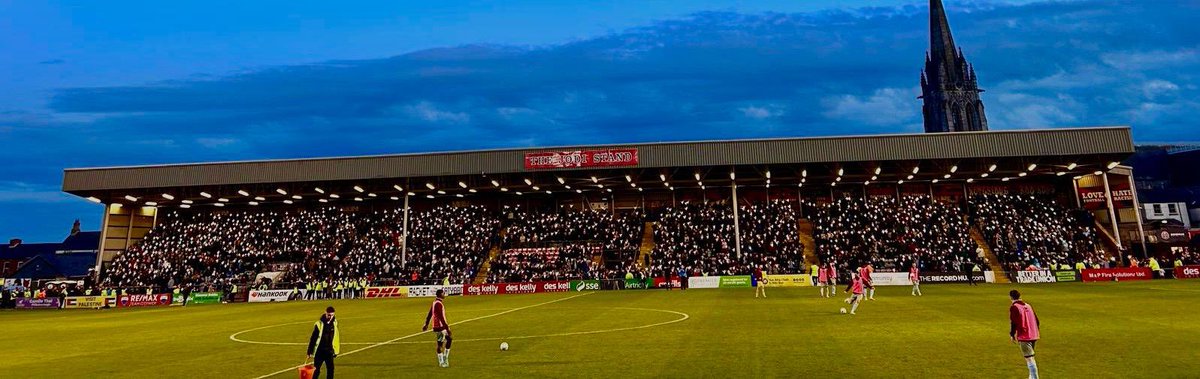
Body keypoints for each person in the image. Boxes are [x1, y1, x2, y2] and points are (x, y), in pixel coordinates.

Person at [1009, 290, 1040, 379]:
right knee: (1031, 356)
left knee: (1029, 358)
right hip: (1034, 334)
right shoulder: (1028, 305)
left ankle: (1035, 378)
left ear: (1011, 297)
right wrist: (1035, 331)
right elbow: (1037, 320)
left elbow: (1014, 322)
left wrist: (1012, 334)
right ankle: (1031, 377)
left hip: (1024, 336)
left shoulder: (1014, 307)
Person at [306, 306, 340, 379]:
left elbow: (336, 337)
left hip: (329, 351)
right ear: (325, 313)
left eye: (332, 315)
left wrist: (335, 351)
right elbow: (313, 338)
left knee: (331, 370)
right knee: (316, 370)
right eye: (329, 315)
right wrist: (309, 351)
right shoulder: (319, 324)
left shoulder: (334, 323)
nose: (330, 317)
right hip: (320, 351)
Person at [422, 289, 452, 368]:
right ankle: (442, 362)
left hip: (439, 326)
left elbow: (429, 314)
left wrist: (426, 324)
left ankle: (445, 358)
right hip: (440, 327)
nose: (444, 294)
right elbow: (441, 317)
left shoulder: (435, 303)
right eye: (443, 293)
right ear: (440, 294)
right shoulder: (438, 304)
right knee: (440, 344)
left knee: (449, 339)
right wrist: (447, 327)